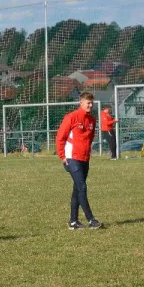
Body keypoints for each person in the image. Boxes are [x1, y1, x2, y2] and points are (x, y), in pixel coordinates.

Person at [56, 92, 103, 230]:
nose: (90, 105)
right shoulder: (71, 117)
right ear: (81, 103)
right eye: (87, 103)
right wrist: (62, 156)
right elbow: (60, 137)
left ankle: (73, 222)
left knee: (77, 189)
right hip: (72, 158)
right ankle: (91, 220)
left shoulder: (92, 120)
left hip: (84, 158)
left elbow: (89, 138)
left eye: (91, 103)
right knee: (82, 187)